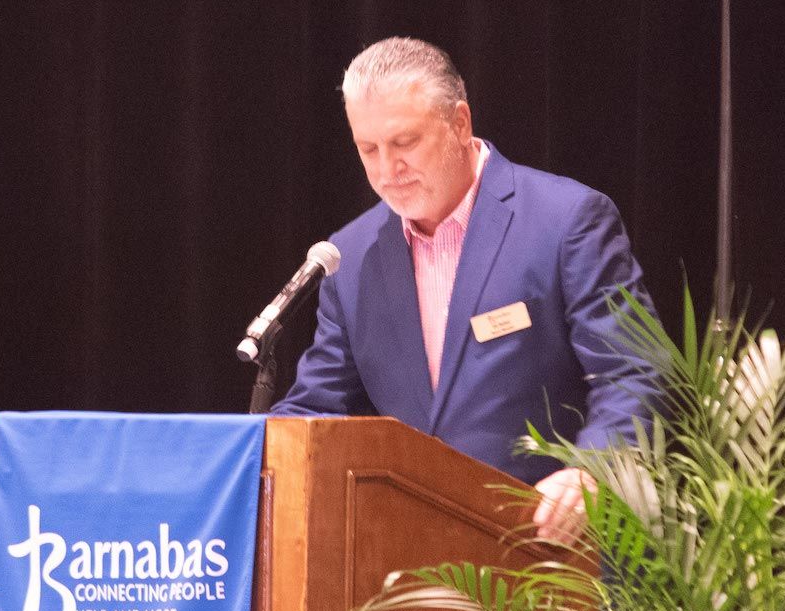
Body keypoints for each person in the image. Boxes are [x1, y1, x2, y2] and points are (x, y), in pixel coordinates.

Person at [271, 37, 660, 543]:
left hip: (551, 554)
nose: (387, 170)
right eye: (369, 149)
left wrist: (593, 470)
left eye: (404, 143)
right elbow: (316, 412)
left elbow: (635, 371)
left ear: (459, 123)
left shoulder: (565, 222)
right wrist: (257, 453)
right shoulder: (351, 256)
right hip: (407, 567)